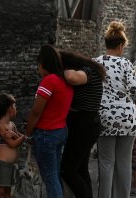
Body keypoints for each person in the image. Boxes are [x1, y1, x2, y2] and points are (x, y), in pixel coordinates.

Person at [94, 21, 136, 198]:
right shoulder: (126, 64)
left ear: (105, 43)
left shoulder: (95, 63)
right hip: (128, 119)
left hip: (104, 118)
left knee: (106, 162)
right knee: (124, 162)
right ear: (121, 45)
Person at [26, 44, 74, 198]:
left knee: (50, 177)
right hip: (60, 130)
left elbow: (36, 111)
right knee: (55, 174)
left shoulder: (49, 81)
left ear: (41, 64)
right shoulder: (65, 80)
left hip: (46, 133)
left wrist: (28, 132)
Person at [60, 50, 106, 198]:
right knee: (80, 168)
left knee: (68, 170)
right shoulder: (89, 69)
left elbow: (71, 77)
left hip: (84, 124)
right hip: (85, 123)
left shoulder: (87, 71)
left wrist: (61, 69)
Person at [0, 93, 25, 198]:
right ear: (9, 108)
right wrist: (23, 137)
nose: (16, 108)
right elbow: (13, 144)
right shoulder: (0, 126)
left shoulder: (12, 125)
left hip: (10, 165)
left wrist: (15, 134)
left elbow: (18, 137)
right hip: (2, 164)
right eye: (15, 106)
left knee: (7, 192)